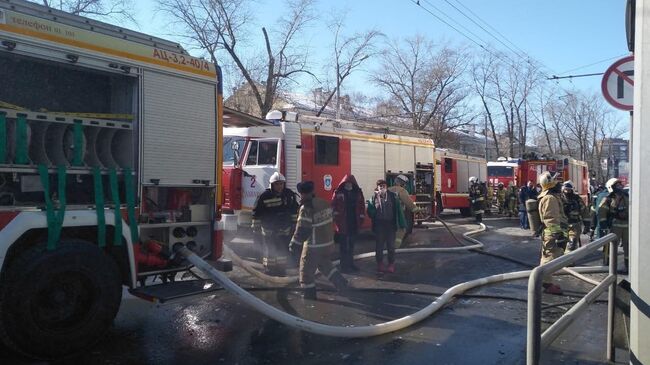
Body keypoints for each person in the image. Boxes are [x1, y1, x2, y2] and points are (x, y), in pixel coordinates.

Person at [290, 181, 348, 300]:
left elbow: (303, 229)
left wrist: (294, 244)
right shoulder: (324, 203)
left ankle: (309, 296)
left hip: (314, 247)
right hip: (328, 244)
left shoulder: (306, 207)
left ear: (301, 194)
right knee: (325, 265)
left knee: (306, 272)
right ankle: (342, 284)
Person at [251, 172, 298, 275]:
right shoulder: (264, 196)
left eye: (281, 184)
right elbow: (256, 214)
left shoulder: (289, 195)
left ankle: (281, 269)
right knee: (270, 250)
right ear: (272, 184)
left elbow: (295, 210)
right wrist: (256, 230)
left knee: (282, 249)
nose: (279, 186)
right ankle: (269, 269)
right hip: (269, 230)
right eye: (277, 184)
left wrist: (294, 225)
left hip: (284, 229)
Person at [537, 171, 568, 295]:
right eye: (556, 182)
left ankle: (547, 282)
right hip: (552, 234)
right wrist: (558, 235)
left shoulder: (552, 196)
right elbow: (551, 218)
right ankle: (546, 283)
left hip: (554, 233)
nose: (559, 184)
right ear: (550, 184)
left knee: (552, 258)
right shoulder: (550, 198)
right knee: (549, 259)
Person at [367, 179, 405, 273]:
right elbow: (370, 213)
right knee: (379, 246)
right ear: (377, 187)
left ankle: (391, 264)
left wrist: (402, 223)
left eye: (383, 186)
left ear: (386, 187)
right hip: (379, 225)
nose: (382, 188)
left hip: (390, 225)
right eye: (380, 186)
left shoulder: (393, 197)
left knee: (391, 246)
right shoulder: (374, 198)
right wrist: (373, 207)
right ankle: (380, 264)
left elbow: (398, 211)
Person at [331, 175, 365, 273]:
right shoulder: (338, 192)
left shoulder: (358, 193)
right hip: (343, 223)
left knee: (351, 245)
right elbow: (333, 205)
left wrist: (361, 217)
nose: (348, 184)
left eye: (350, 183)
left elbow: (361, 205)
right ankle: (344, 266)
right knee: (343, 246)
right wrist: (335, 216)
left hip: (353, 222)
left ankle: (351, 264)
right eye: (347, 183)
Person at [598, 178, 629, 274]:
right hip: (615, 226)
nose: (619, 187)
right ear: (611, 187)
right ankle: (611, 266)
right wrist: (604, 225)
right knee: (612, 247)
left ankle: (627, 266)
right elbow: (601, 212)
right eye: (617, 185)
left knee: (628, 247)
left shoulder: (627, 197)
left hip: (627, 226)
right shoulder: (608, 198)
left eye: (620, 185)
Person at [388, 174, 419, 248]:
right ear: (402, 183)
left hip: (388, 215)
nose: (405, 185)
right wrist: (417, 210)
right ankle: (395, 247)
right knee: (401, 230)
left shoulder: (388, 189)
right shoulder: (401, 190)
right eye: (404, 184)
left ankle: (389, 246)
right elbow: (409, 203)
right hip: (398, 215)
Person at [561, 181, 588, 252]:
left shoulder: (577, 199)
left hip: (574, 225)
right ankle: (561, 262)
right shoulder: (559, 198)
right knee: (560, 245)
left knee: (571, 245)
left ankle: (569, 262)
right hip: (561, 226)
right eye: (565, 189)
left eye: (569, 190)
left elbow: (584, 211)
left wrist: (587, 225)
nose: (567, 191)